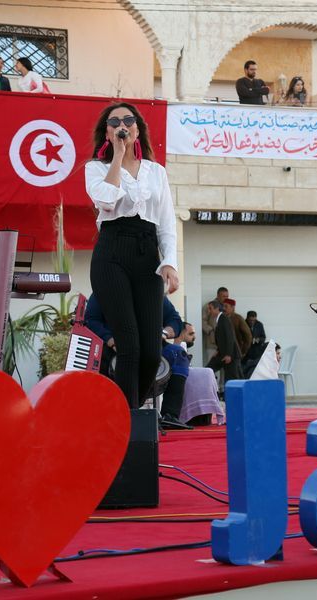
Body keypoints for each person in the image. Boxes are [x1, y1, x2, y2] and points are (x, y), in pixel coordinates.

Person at [85, 102, 179, 408]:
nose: (122, 126)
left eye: (128, 121)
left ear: (138, 130)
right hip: (112, 253)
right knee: (129, 347)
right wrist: (117, 156)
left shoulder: (156, 172)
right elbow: (106, 201)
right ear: (107, 132)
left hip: (147, 253)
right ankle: (128, 422)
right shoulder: (95, 168)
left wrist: (169, 262)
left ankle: (127, 412)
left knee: (151, 352)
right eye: (115, 122)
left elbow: (166, 222)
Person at [160, 322, 196, 429]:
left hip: (158, 340)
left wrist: (165, 332)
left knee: (179, 355)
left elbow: (174, 319)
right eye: (191, 333)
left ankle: (169, 415)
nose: (194, 337)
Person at [206, 300, 242, 383]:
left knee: (232, 379)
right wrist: (218, 350)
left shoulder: (224, 319)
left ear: (217, 309)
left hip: (231, 355)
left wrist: (228, 354)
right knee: (208, 370)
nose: (209, 311)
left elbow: (230, 337)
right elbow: (222, 338)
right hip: (222, 353)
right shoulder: (219, 319)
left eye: (210, 308)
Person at [202, 286, 228, 361]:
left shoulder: (227, 307)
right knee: (212, 364)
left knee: (225, 365)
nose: (226, 298)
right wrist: (211, 331)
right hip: (212, 343)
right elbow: (203, 321)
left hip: (225, 343)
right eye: (223, 296)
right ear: (218, 296)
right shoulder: (209, 306)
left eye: (227, 296)